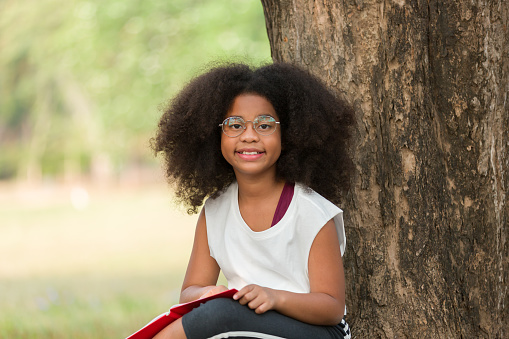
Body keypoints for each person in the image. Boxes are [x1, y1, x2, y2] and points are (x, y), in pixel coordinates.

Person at [151, 62, 354, 339]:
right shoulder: (215, 211)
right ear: (215, 135)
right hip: (244, 327)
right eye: (235, 125)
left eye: (265, 124)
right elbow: (190, 291)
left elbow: (332, 307)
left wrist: (275, 297)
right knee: (221, 317)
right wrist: (207, 292)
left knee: (220, 317)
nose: (249, 136)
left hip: (316, 331)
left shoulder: (310, 211)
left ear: (288, 134)